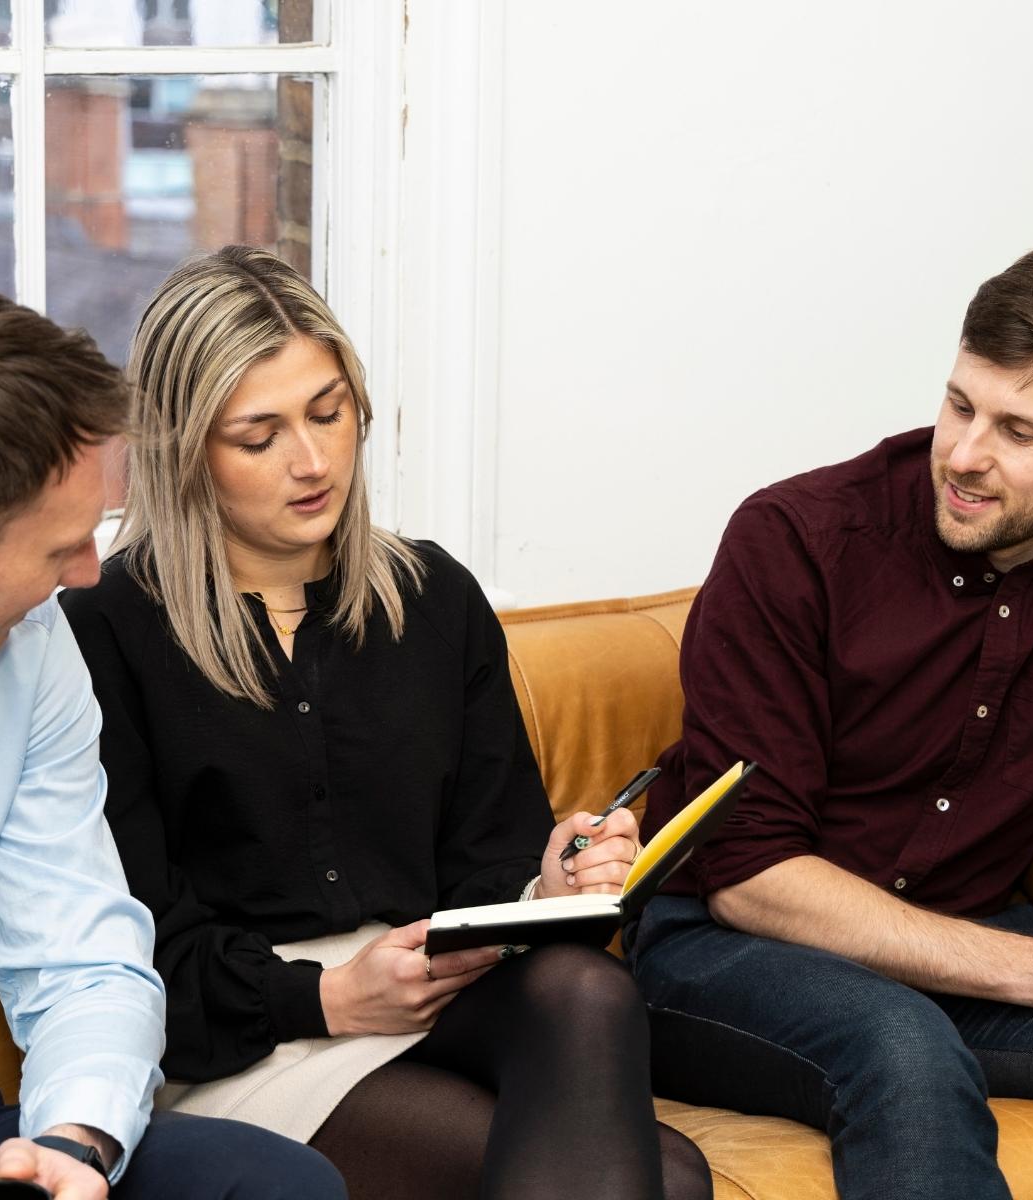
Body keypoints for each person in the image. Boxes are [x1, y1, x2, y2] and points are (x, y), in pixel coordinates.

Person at [58, 245, 714, 1200]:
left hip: (433, 985)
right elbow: (128, 944)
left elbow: (485, 864)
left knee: (586, 988)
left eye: (329, 413)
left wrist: (544, 882)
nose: (314, 460)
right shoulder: (103, 634)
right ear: (183, 448)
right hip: (246, 1037)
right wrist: (323, 995)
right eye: (260, 435)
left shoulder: (433, 598)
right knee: (672, 1178)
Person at [0, 278, 347, 1200]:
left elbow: (81, 956)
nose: (90, 571)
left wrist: (74, 1150)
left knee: (273, 1186)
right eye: (58, 551)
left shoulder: (29, 649)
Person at [630, 247, 1033, 1200]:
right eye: (961, 405)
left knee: (911, 1030)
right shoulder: (796, 542)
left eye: (1018, 431)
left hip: (962, 942)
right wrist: (1029, 970)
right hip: (725, 951)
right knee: (899, 1047)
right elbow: (749, 878)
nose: (966, 454)